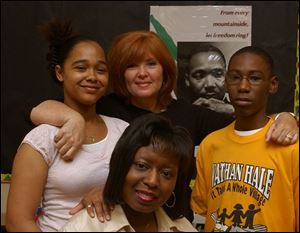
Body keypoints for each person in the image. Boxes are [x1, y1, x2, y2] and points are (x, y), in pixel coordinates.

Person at [29, 31, 298, 223]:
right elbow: (37, 112)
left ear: (165, 71)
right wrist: (73, 119)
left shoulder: (192, 114)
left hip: (175, 222)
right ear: (121, 73)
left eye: (151, 64)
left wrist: (287, 116)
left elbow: (247, 123)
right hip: (118, 223)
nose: (142, 73)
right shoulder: (106, 107)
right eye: (132, 66)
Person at [5, 18, 129, 232]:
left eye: (101, 70)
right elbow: (18, 223)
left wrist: (109, 191)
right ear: (60, 73)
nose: (92, 76)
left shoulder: (124, 131)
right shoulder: (41, 138)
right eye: (81, 68)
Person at [191, 46, 299, 232]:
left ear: (272, 84)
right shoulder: (211, 144)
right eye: (235, 77)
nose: (243, 87)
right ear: (226, 83)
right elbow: (204, 208)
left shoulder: (290, 146)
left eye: (255, 78)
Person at [59, 113, 197, 232]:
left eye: (166, 173)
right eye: (142, 166)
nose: (152, 181)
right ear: (121, 166)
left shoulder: (183, 228)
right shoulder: (83, 228)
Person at [176, 43, 234, 115]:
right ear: (187, 80)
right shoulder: (178, 116)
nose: (210, 84)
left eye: (217, 75)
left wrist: (233, 111)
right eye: (199, 76)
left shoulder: (238, 112)